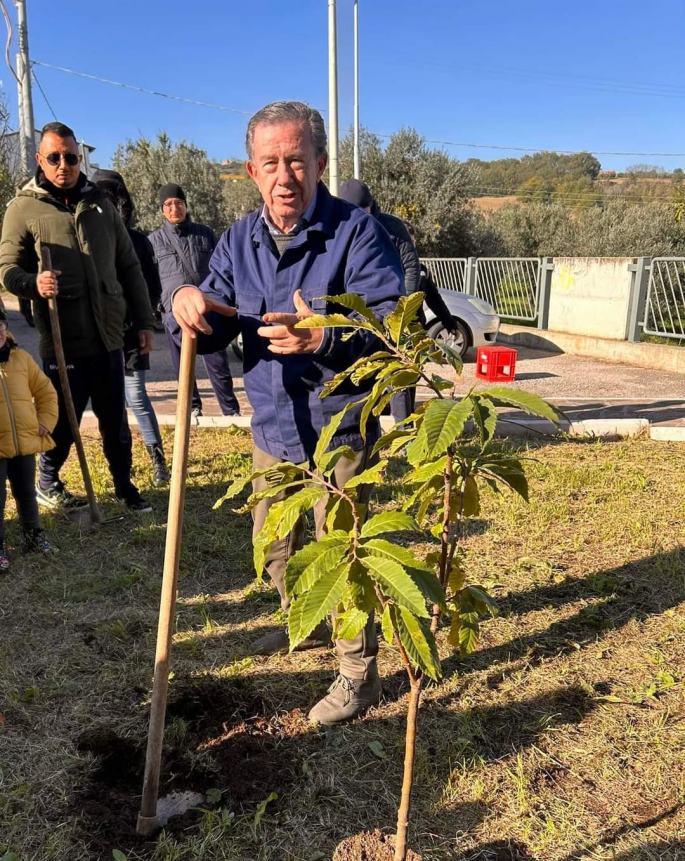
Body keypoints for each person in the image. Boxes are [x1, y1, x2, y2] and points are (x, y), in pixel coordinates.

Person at [171, 100, 403, 725]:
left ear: (320, 164)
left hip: (340, 430)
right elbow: (215, 321)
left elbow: (387, 325)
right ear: (251, 171)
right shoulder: (237, 241)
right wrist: (188, 302)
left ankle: (359, 671)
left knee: (344, 556)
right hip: (272, 427)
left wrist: (322, 337)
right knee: (273, 547)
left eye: (296, 161)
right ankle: (305, 622)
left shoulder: (355, 232)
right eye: (270, 163)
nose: (284, 176)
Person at [0, 121, 155, 512]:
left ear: (79, 157)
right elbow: (6, 269)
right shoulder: (23, 208)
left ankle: (124, 486)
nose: (63, 165)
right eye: (54, 158)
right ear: (41, 160)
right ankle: (48, 481)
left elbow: (129, 266)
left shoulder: (101, 203)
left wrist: (143, 322)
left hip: (109, 334)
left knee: (114, 420)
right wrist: (35, 283)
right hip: (62, 335)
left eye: (70, 157)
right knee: (63, 421)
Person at [92, 169, 170, 486]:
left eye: (113, 197)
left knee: (136, 396)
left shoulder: (138, 241)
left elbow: (151, 287)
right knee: (110, 401)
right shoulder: (85, 238)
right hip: (97, 333)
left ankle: (157, 459)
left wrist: (144, 324)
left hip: (131, 332)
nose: (108, 204)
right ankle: (121, 466)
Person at [149, 184, 240, 419]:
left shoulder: (205, 234)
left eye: (178, 203)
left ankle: (230, 411)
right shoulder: (154, 241)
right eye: (168, 204)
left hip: (207, 308)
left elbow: (221, 267)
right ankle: (192, 408)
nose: (174, 208)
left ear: (186, 206)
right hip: (174, 314)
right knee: (182, 367)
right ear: (162, 210)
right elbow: (150, 278)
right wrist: (162, 307)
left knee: (218, 364)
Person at [339, 179, 422, 421]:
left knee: (399, 371)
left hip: (395, 310)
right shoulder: (339, 227)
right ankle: (361, 425)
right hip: (358, 312)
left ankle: (403, 429)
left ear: (370, 206)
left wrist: (401, 309)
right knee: (361, 371)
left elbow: (411, 267)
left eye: (360, 211)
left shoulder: (392, 228)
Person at [0, 309, 59, 570]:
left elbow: (46, 392)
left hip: (24, 442)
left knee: (26, 492)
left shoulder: (21, 358)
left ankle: (33, 535)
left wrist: (45, 420)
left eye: (0, 325)